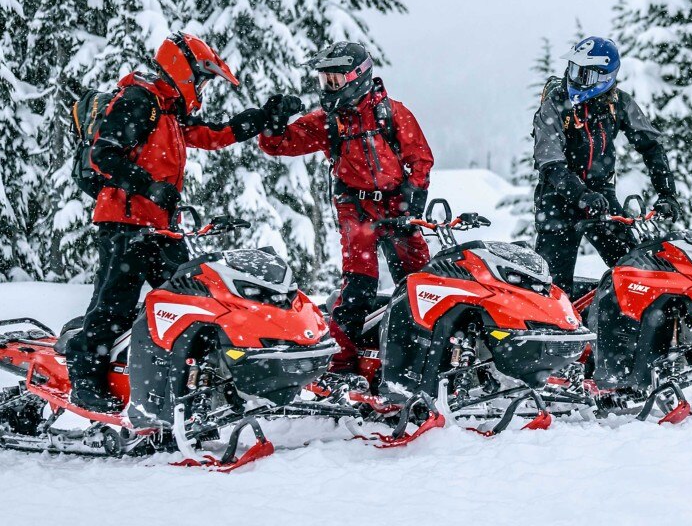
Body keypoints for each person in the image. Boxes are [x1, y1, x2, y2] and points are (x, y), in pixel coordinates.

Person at [66, 31, 300, 412]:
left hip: (160, 230)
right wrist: (148, 187)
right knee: (113, 306)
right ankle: (85, 379)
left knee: (193, 301)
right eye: (202, 80)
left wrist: (262, 118)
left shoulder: (170, 113)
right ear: (183, 70)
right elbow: (103, 155)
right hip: (124, 224)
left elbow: (215, 134)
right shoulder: (139, 101)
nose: (202, 89)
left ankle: (191, 381)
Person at [259, 41, 434, 378]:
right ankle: (340, 365)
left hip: (396, 206)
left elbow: (420, 157)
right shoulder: (329, 121)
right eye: (325, 80)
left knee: (419, 282)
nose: (329, 87)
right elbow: (280, 144)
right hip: (357, 209)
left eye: (335, 80)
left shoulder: (391, 113)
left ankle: (421, 354)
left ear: (358, 77)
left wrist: (413, 195)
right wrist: (273, 122)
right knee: (358, 286)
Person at [531, 36, 680, 295]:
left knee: (634, 271)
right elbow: (550, 161)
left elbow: (651, 145)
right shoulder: (554, 105)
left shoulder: (618, 103)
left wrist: (667, 194)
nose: (575, 79)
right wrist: (581, 195)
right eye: (574, 70)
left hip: (600, 195)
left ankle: (626, 316)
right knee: (552, 286)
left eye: (585, 75)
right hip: (558, 197)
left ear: (605, 78)